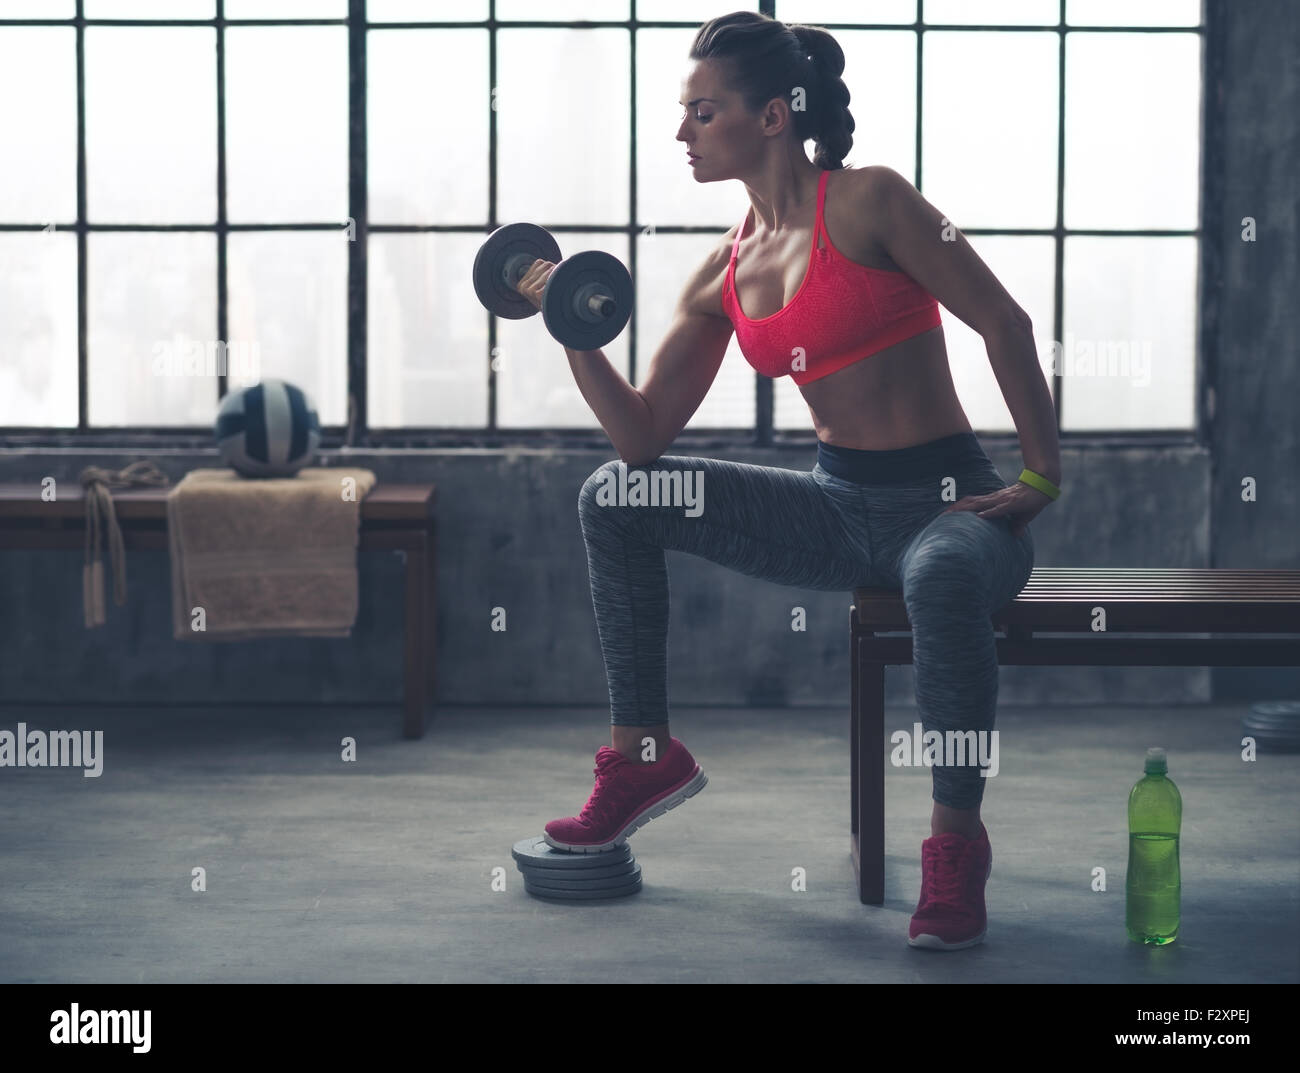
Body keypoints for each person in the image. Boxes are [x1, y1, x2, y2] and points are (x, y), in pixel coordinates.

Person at [514, 10, 1061, 950]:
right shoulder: (723, 273)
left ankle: (955, 845)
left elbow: (1004, 323)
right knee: (615, 495)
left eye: (702, 112)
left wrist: (1041, 476)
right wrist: (573, 325)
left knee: (937, 572)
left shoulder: (874, 201)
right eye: (684, 112)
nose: (682, 132)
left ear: (773, 116)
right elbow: (641, 438)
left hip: (951, 509)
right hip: (837, 510)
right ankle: (643, 756)